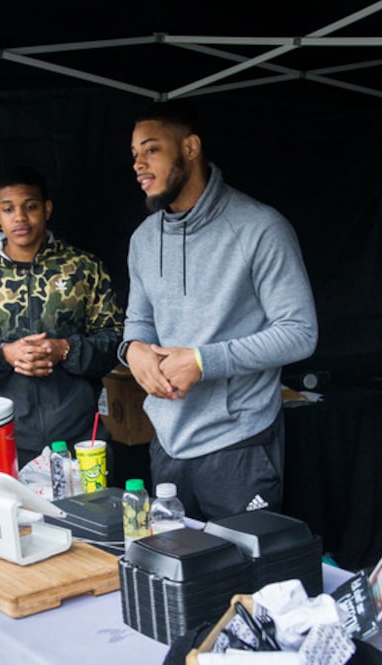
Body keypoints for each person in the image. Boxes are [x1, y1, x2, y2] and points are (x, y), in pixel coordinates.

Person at [122, 101, 318, 520]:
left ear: (190, 148)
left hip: (240, 444)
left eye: (151, 150)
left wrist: (201, 361)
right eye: (135, 154)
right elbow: (138, 322)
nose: (138, 164)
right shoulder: (142, 239)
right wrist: (133, 350)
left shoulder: (260, 228)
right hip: (167, 441)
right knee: (178, 580)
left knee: (247, 578)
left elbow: (300, 331)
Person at [0, 165, 123, 463]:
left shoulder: (83, 268)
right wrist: (5, 355)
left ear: (47, 209)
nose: (20, 217)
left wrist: (66, 349)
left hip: (79, 433)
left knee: (88, 509)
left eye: (30, 206)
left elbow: (115, 337)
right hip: (3, 434)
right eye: (9, 209)